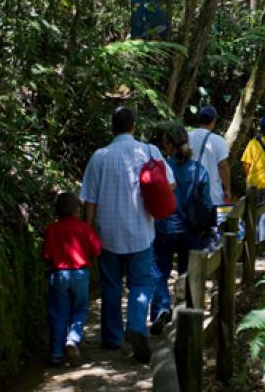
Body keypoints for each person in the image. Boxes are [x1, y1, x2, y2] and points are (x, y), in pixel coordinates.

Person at [80, 106, 175, 363]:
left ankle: (112, 338)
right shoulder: (149, 151)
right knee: (140, 284)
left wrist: (88, 231)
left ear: (112, 127)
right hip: (141, 232)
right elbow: (171, 183)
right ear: (134, 126)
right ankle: (135, 325)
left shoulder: (99, 157)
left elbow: (89, 200)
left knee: (111, 285)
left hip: (108, 235)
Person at [150, 124, 213, 335]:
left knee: (159, 270)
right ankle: (186, 314)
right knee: (188, 271)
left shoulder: (161, 168)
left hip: (164, 227)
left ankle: (161, 308)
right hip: (191, 229)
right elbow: (207, 203)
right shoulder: (198, 170)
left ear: (169, 145)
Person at [42, 192, 101, 365]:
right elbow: (97, 250)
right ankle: (73, 339)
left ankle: (56, 353)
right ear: (77, 210)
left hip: (58, 275)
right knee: (79, 309)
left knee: (58, 313)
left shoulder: (51, 229)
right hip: (80, 274)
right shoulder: (84, 228)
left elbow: (46, 255)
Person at [189, 106, 232, 243]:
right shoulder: (218, 140)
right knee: (212, 233)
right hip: (213, 195)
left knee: (192, 232)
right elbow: (223, 167)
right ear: (213, 121)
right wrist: (227, 189)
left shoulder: (188, 137)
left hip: (190, 194)